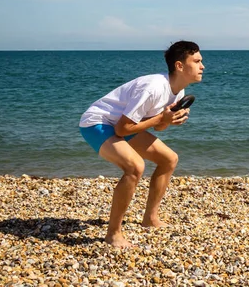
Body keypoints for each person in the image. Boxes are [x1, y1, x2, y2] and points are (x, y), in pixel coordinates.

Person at [79, 40, 204, 248]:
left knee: (169, 159)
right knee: (135, 167)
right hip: (97, 123)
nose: (203, 66)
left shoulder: (178, 92)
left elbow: (158, 127)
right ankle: (113, 234)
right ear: (179, 66)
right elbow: (122, 129)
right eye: (197, 61)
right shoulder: (153, 87)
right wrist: (161, 119)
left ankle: (150, 219)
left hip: (122, 124)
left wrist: (169, 120)